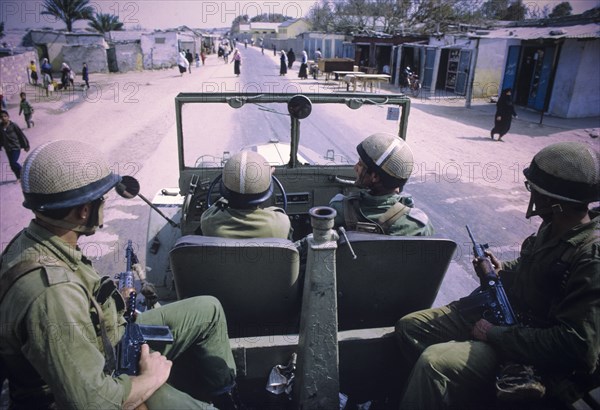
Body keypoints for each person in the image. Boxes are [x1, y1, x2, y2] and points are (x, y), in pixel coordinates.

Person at [0, 140, 240, 409]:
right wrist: (152, 378)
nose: (103, 203)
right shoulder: (52, 294)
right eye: (101, 198)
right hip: (104, 380)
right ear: (83, 211)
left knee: (209, 309)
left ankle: (225, 395)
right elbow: (93, 402)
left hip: (108, 342)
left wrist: (111, 303)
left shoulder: (33, 241)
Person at [395, 141, 600, 409]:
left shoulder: (590, 258)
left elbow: (578, 347)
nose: (531, 195)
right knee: (410, 327)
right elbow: (532, 271)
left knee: (435, 363)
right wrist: (499, 271)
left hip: (533, 354)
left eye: (534, 189)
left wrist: (495, 335)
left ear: (554, 203)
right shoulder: (554, 228)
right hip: (511, 322)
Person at [329, 133, 433, 236]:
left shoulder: (338, 210)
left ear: (375, 177)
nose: (355, 168)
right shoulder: (419, 226)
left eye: (360, 165)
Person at [200, 151, 292, 239]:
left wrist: (231, 178)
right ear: (265, 194)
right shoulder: (281, 223)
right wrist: (265, 177)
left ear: (224, 190)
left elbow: (215, 206)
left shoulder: (208, 222)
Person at [0, 110, 30, 182]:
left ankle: (25, 173)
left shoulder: (13, 125)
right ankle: (19, 177)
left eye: (5, 116)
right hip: (7, 148)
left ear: (8, 117)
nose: (3, 118)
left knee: (13, 162)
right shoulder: (0, 127)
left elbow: (20, 135)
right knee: (12, 165)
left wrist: (26, 145)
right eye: (1, 117)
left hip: (15, 147)